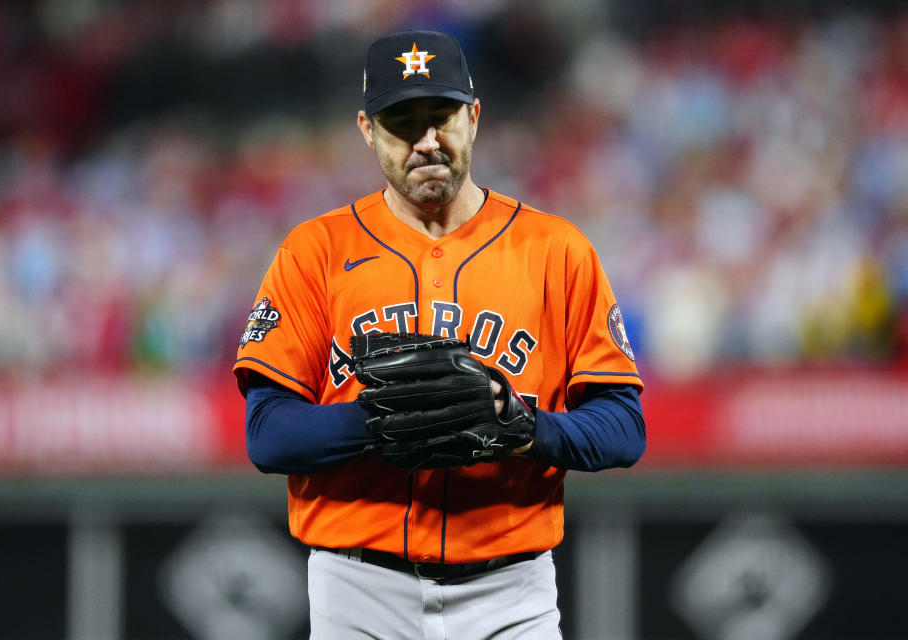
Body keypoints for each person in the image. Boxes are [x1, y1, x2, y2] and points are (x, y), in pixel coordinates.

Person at [234, 29, 646, 640]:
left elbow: (623, 428)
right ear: (368, 131)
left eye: (442, 117)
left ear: (474, 118)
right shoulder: (314, 251)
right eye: (403, 122)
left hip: (512, 593)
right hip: (358, 593)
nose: (427, 141)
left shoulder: (556, 250)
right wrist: (382, 418)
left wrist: (527, 428)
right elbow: (267, 435)